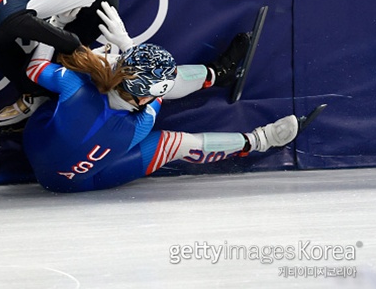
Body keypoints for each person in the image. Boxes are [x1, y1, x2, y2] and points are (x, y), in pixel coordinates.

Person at [22, 36, 299, 193]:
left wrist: (51, 26)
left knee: (104, 72)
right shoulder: (141, 124)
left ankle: (218, 76)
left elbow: (35, 69)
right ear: (143, 98)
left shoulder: (75, 84)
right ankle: (257, 140)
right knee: (172, 141)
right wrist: (127, 44)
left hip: (38, 146)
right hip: (82, 180)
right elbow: (161, 89)